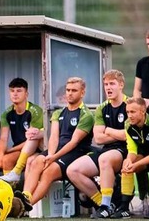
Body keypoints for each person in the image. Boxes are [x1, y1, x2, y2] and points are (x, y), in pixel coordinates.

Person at [15, 77, 94, 211]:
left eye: (74, 90)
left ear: (82, 93)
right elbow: (54, 137)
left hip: (75, 153)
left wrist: (54, 157)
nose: (69, 93)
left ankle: (25, 207)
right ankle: (25, 195)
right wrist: (50, 155)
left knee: (49, 172)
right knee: (36, 162)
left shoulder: (86, 115)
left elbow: (74, 142)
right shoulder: (58, 113)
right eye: (68, 90)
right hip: (57, 151)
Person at [66, 70, 128, 218]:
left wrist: (107, 130)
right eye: (106, 84)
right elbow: (99, 139)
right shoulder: (102, 108)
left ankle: (106, 206)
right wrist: (117, 134)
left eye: (112, 84)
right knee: (73, 170)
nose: (108, 88)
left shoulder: (129, 104)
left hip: (126, 150)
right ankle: (103, 203)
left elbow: (128, 136)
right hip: (106, 149)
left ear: (121, 85)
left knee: (104, 159)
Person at [115, 97, 149, 219]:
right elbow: (132, 150)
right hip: (144, 155)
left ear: (143, 111)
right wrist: (129, 160)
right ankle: (124, 207)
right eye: (127, 112)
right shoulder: (128, 124)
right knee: (126, 164)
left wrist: (136, 164)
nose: (129, 115)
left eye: (133, 112)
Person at [0, 78, 45, 183]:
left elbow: (33, 139)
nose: (15, 94)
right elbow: (3, 138)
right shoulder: (7, 113)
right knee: (0, 160)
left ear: (26, 94)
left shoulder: (35, 111)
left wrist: (8, 151)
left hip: (35, 148)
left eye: (19, 91)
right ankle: (8, 194)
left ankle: (11, 192)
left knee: (8, 159)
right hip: (18, 149)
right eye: (12, 91)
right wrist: (0, 155)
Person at [132, 27, 149, 206]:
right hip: (146, 119)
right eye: (148, 44)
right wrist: (138, 105)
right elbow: (136, 90)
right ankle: (143, 198)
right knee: (138, 157)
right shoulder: (142, 64)